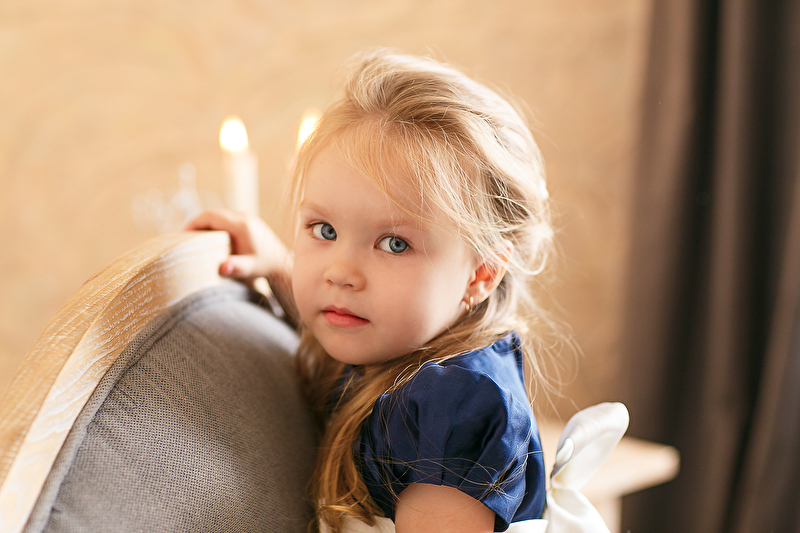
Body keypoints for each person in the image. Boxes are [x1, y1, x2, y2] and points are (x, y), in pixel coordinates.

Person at [187, 48, 556, 533]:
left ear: (481, 274)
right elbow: (336, 314)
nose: (340, 273)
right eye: (324, 230)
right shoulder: (392, 337)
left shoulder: (454, 408)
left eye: (395, 244)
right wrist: (279, 266)